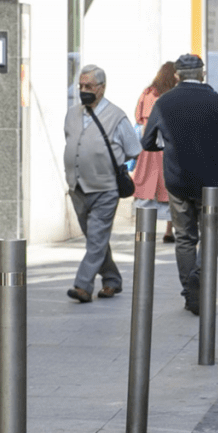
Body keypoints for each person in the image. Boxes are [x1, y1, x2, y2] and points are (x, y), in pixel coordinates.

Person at [140, 54, 218, 315]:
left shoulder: (164, 102)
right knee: (213, 235)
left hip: (177, 181)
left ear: (177, 76)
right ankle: (199, 274)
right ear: (203, 74)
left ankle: (191, 293)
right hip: (212, 183)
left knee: (184, 238)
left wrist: (168, 145)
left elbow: (147, 142)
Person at [63, 64, 142, 303]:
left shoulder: (117, 117)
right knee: (95, 240)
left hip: (106, 188)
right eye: (81, 86)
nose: (83, 90)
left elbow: (133, 149)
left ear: (102, 88)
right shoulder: (72, 113)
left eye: (89, 86)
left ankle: (82, 285)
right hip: (78, 188)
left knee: (96, 239)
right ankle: (112, 280)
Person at [133, 62, 176, 243]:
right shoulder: (172, 95)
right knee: (169, 190)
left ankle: (143, 231)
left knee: (146, 188)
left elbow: (138, 117)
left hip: (148, 147)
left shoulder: (147, 93)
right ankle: (169, 230)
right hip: (167, 146)